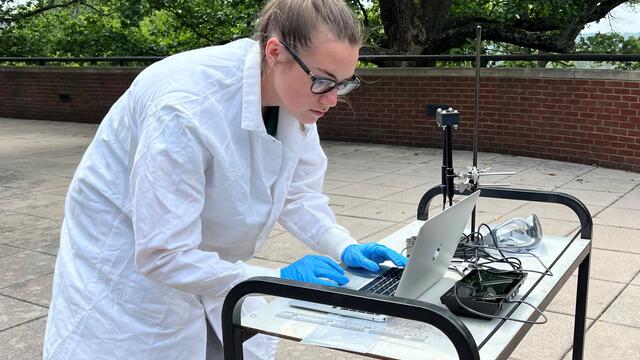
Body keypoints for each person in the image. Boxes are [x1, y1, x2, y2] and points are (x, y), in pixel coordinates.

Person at [43, 0, 408, 359]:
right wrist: (274, 279)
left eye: (343, 84)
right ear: (275, 51)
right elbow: (163, 253)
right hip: (125, 260)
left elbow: (295, 194)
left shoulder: (293, 97)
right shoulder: (186, 109)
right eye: (323, 81)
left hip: (201, 254)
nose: (331, 100)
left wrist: (342, 245)